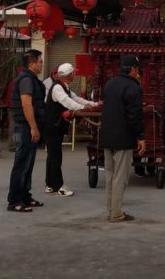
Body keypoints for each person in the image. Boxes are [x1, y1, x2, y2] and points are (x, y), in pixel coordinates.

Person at [99, 54, 147, 222]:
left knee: (110, 176)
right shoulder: (133, 88)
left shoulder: (109, 84)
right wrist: (140, 136)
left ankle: (111, 210)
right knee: (121, 177)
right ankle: (116, 212)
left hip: (107, 137)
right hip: (123, 138)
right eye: (137, 69)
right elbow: (135, 116)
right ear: (133, 69)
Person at [43, 63, 99, 197]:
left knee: (52, 156)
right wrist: (83, 108)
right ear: (68, 75)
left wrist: (94, 104)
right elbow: (67, 102)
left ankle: (50, 184)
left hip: (56, 127)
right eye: (73, 73)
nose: (74, 75)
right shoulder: (57, 88)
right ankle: (58, 186)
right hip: (52, 127)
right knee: (55, 157)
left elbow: (77, 99)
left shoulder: (64, 87)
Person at [7, 50, 47, 213]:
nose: (41, 64)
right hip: (25, 126)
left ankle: (25, 196)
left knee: (28, 163)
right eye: (40, 62)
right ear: (31, 63)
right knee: (22, 163)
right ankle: (14, 200)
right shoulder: (26, 81)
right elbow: (26, 104)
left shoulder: (31, 79)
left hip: (28, 126)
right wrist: (33, 127)